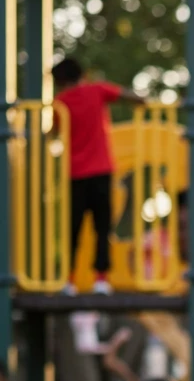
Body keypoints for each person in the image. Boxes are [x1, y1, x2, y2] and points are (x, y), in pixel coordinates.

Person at [53, 57, 143, 295]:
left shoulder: (59, 102)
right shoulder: (96, 90)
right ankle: (101, 279)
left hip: (75, 174)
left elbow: (52, 133)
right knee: (102, 228)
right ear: (81, 75)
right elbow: (129, 95)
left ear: (59, 82)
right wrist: (144, 102)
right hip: (101, 171)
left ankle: (69, 280)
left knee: (73, 229)